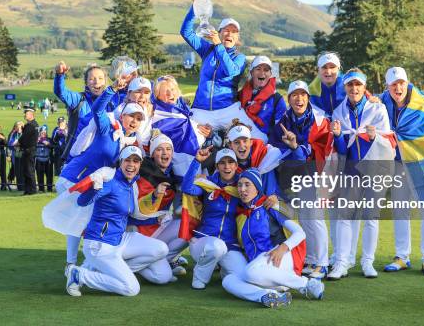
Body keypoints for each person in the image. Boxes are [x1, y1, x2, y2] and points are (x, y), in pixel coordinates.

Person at [56, 78, 145, 272]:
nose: (134, 121)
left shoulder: (130, 143)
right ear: (123, 116)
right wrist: (112, 89)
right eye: (131, 116)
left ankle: (84, 265)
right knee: (77, 222)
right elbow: (97, 109)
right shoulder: (108, 129)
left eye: (139, 119)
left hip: (89, 183)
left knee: (83, 220)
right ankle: (72, 264)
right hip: (74, 178)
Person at [64, 146, 174, 297]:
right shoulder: (110, 181)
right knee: (131, 289)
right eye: (127, 160)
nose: (131, 165)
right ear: (121, 162)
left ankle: (106, 269)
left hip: (120, 239)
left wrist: (155, 200)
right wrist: (94, 189)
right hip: (100, 244)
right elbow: (82, 201)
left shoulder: (131, 185)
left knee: (161, 248)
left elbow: (134, 213)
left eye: (136, 161)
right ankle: (79, 274)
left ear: (140, 165)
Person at [328, 68, 395, 280]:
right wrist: (338, 136)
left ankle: (368, 262)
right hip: (351, 170)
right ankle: (342, 262)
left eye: (358, 85)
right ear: (345, 87)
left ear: (364, 87)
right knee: (345, 217)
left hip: (375, 168)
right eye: (350, 85)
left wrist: (375, 136)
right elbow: (341, 148)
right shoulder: (339, 111)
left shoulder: (378, 109)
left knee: (371, 217)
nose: (354, 88)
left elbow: (388, 140)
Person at [221, 168, 324, 307]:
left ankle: (307, 284)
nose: (242, 189)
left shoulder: (270, 206)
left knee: (249, 272)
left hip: (279, 259)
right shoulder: (241, 216)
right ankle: (268, 296)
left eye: (247, 184)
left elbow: (300, 233)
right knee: (228, 280)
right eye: (239, 185)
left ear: (257, 187)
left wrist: (283, 248)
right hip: (262, 271)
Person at [380, 67, 424, 276]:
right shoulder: (382, 101)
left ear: (407, 83)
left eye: (401, 83)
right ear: (387, 87)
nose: (398, 88)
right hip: (399, 163)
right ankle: (401, 256)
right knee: (400, 209)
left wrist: (398, 136)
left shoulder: (423, 103)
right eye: (393, 84)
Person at [269, 80, 334, 279]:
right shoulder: (282, 121)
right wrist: (291, 148)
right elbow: (275, 148)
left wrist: (296, 147)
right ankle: (312, 259)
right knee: (305, 219)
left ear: (308, 97)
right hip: (291, 176)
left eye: (303, 94)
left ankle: (322, 263)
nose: (299, 98)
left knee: (314, 218)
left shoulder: (319, 120)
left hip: (315, 174)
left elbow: (321, 148)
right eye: (295, 95)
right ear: (289, 99)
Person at [180, 0, 261, 137]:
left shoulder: (239, 57)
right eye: (226, 30)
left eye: (234, 32)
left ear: (237, 38)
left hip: (228, 109)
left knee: (259, 138)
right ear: (219, 32)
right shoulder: (207, 50)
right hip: (201, 110)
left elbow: (230, 71)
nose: (230, 34)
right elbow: (186, 32)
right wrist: (195, 6)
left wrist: (218, 45)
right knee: (188, 141)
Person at [180, 147, 246, 289]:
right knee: (216, 247)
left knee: (242, 275)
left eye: (230, 162)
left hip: (230, 244)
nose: (227, 166)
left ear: (236, 165)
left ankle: (224, 269)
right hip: (203, 241)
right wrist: (197, 161)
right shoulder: (208, 184)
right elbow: (186, 188)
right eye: (222, 163)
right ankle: (199, 277)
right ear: (217, 166)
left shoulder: (242, 187)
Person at [129, 131, 189, 276]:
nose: (165, 153)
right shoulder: (144, 173)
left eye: (168, 149)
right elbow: (138, 210)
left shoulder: (170, 175)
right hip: (140, 231)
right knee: (162, 278)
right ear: (153, 154)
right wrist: (155, 196)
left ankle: (164, 261)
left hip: (157, 227)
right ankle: (134, 264)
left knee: (188, 225)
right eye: (160, 149)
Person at [53, 62, 124, 163]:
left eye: (100, 78)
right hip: (77, 157)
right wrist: (59, 75)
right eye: (91, 79)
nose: (96, 82)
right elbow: (61, 92)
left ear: (105, 81)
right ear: (86, 83)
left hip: (102, 160)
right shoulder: (79, 100)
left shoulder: (113, 102)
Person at [151, 75, 210, 179]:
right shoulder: (156, 115)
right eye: (165, 91)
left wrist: (206, 132)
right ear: (157, 95)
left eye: (172, 89)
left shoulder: (180, 108)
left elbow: (187, 125)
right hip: (180, 170)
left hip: (198, 158)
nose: (170, 94)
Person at [238, 56, 286, 140]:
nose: (262, 73)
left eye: (266, 70)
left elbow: (280, 131)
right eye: (258, 69)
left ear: (270, 74)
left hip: (264, 146)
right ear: (251, 72)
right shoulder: (240, 95)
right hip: (241, 144)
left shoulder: (277, 99)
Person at [308, 52, 346, 117]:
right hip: (323, 126)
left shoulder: (349, 85)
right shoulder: (310, 91)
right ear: (318, 69)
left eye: (332, 67)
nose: (328, 71)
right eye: (324, 67)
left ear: (338, 69)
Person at [18, 107, 39, 195]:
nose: (25, 115)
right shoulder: (33, 124)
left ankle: (32, 190)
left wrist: (18, 142)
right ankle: (28, 189)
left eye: (26, 113)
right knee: (27, 171)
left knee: (29, 171)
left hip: (29, 151)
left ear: (31, 114)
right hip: (29, 150)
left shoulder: (31, 125)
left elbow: (24, 138)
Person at [36, 125, 54, 192]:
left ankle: (49, 188)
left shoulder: (49, 139)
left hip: (47, 159)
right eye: (41, 132)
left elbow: (52, 146)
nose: (43, 134)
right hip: (38, 159)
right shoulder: (36, 139)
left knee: (49, 175)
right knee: (40, 175)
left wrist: (47, 143)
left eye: (44, 132)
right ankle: (41, 189)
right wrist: (38, 141)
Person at [7, 121, 24, 190]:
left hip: (23, 154)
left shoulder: (24, 134)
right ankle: (19, 186)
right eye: (17, 127)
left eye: (20, 126)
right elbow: (10, 144)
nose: (18, 128)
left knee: (22, 170)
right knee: (17, 170)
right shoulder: (13, 134)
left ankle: (23, 185)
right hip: (15, 154)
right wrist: (15, 143)